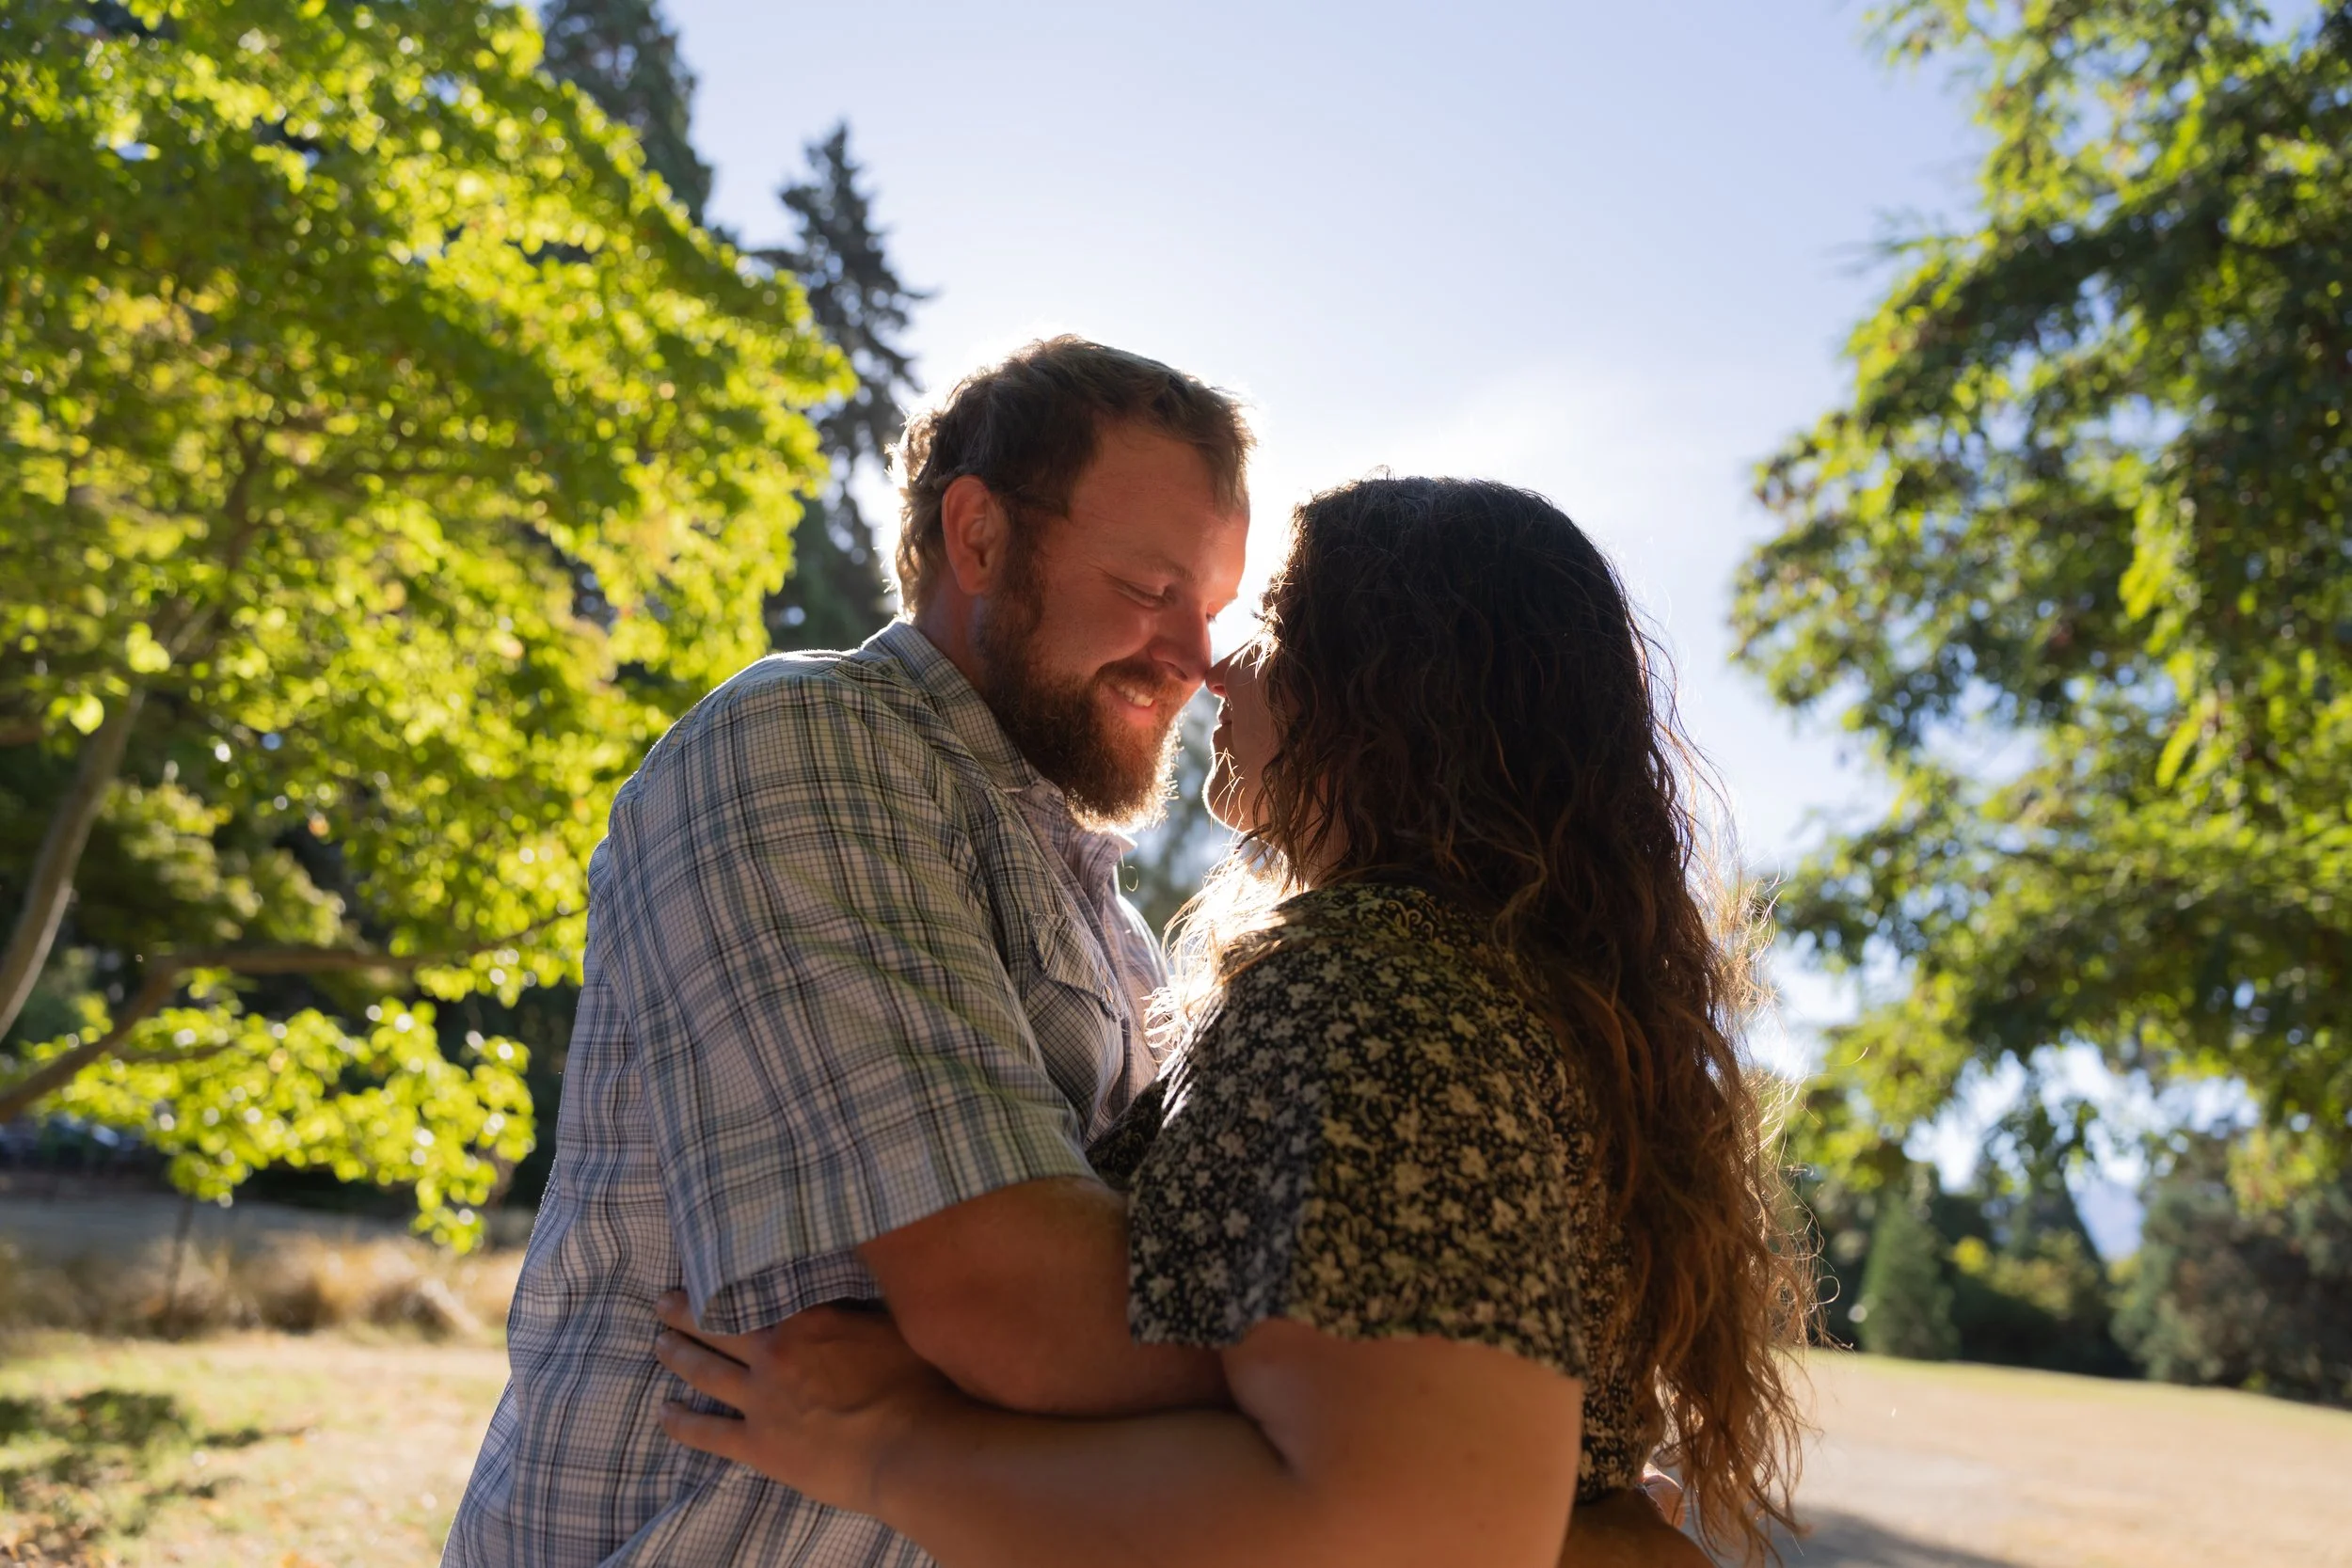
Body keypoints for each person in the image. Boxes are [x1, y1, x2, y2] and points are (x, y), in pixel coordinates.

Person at [648, 477, 1813, 1566]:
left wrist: (886, 1442)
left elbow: (1423, 1524)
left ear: (1388, 690)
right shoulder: (1488, 986)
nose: (1216, 668)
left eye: (1275, 625)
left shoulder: (1379, 991)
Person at [442, 336, 1256, 1566]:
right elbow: (1021, 1311)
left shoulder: (1125, 937)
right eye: (1151, 587)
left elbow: (1109, 1337)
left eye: (1211, 607)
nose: (1194, 658)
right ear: (977, 536)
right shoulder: (808, 738)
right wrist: (1376, 1388)